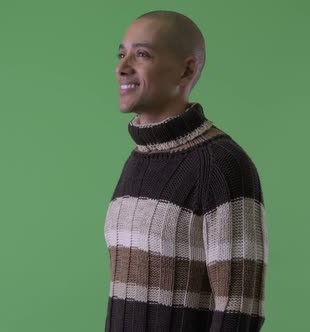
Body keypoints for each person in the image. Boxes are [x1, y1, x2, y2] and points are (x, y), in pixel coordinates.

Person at [103, 10, 267, 331]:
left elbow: (240, 311)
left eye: (141, 54)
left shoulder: (221, 165)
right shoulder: (137, 161)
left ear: (186, 70)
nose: (122, 68)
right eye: (121, 54)